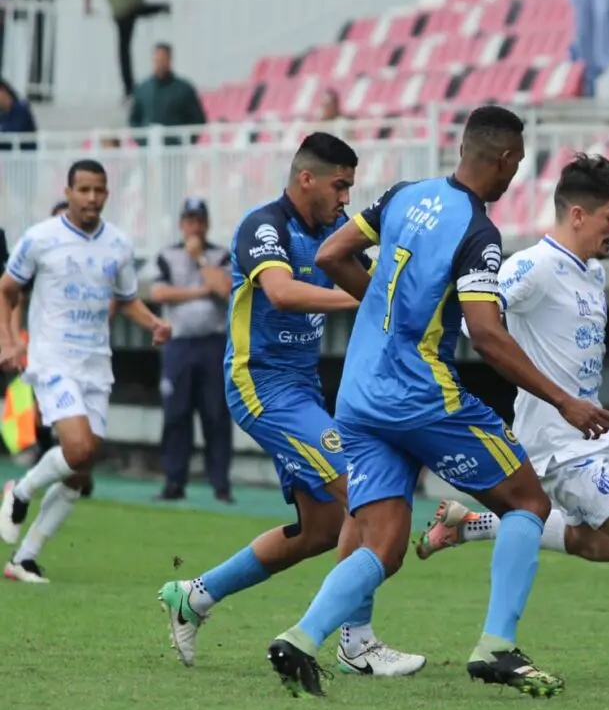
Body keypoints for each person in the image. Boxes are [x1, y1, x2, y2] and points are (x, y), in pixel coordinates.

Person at [267, 106, 609, 698]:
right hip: (419, 394)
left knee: (386, 539)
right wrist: (563, 401)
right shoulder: (479, 233)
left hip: (358, 393)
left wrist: (384, 307)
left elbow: (331, 256)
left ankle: (301, 637)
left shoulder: (405, 195)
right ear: (503, 160)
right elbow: (487, 332)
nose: (515, 175)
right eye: (518, 164)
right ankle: (497, 647)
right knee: (526, 499)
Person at [417, 154, 609, 687]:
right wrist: (555, 395)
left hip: (584, 442)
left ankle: (472, 524)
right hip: (559, 448)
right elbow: (480, 325)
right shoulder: (533, 266)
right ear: (580, 215)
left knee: (603, 546)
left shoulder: (594, 269)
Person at [156, 134, 425, 678]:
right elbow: (281, 292)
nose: (347, 197)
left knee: (321, 529)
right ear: (308, 179)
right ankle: (357, 641)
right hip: (260, 385)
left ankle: (195, 596)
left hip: (302, 389)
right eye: (340, 184)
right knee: (361, 489)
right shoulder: (264, 226)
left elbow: (381, 287)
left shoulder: (334, 236)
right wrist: (365, 298)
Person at [0, 160, 172, 582]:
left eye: (99, 190)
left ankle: (24, 558)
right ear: (70, 191)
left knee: (80, 468)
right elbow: (7, 289)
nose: (92, 198)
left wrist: (153, 323)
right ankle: (19, 491)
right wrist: (8, 339)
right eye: (84, 190)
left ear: (107, 194)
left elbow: (127, 298)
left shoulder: (118, 245)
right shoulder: (40, 238)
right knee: (77, 449)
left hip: (96, 364)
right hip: (53, 360)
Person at [150, 198, 234, 503]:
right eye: (190, 220)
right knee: (176, 414)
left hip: (213, 344)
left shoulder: (219, 254)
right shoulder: (167, 255)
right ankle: (174, 482)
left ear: (206, 223)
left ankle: (220, 485)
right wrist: (201, 290)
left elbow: (225, 289)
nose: (195, 226)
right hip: (178, 345)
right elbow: (159, 292)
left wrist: (200, 260)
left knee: (216, 414)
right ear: (181, 223)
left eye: (200, 220)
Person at [84, 0, 171, 101]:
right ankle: (163, 8)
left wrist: (87, 7)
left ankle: (128, 89)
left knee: (123, 50)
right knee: (140, 12)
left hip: (121, 8)